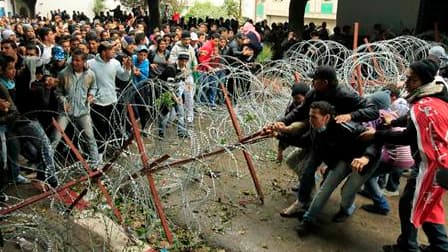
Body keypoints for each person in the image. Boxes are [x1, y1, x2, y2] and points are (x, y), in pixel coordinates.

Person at [362, 59, 448, 252]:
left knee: (412, 204)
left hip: (432, 165)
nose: (407, 82)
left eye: (412, 80)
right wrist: (393, 122)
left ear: (424, 81)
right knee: (427, 206)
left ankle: (417, 247)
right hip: (436, 162)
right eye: (407, 77)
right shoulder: (435, 93)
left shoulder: (424, 107)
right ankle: (428, 246)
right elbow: (410, 120)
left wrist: (377, 134)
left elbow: (407, 136)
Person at [295, 101, 380, 236]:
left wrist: (367, 157)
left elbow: (375, 140)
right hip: (345, 159)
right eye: (310, 116)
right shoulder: (317, 129)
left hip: (365, 160)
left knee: (347, 192)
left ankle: (346, 210)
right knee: (325, 189)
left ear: (326, 117)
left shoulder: (346, 127)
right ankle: (308, 219)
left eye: (314, 117)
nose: (310, 121)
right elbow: (303, 141)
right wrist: (280, 133)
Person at [51, 49, 99, 166]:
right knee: (55, 138)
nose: (74, 63)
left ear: (83, 62)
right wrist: (63, 101)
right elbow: (58, 91)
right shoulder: (63, 74)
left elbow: (94, 87)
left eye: (78, 60)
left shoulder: (90, 74)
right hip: (65, 112)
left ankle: (96, 164)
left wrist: (91, 95)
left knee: (90, 138)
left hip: (83, 111)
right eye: (73, 60)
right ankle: (47, 166)